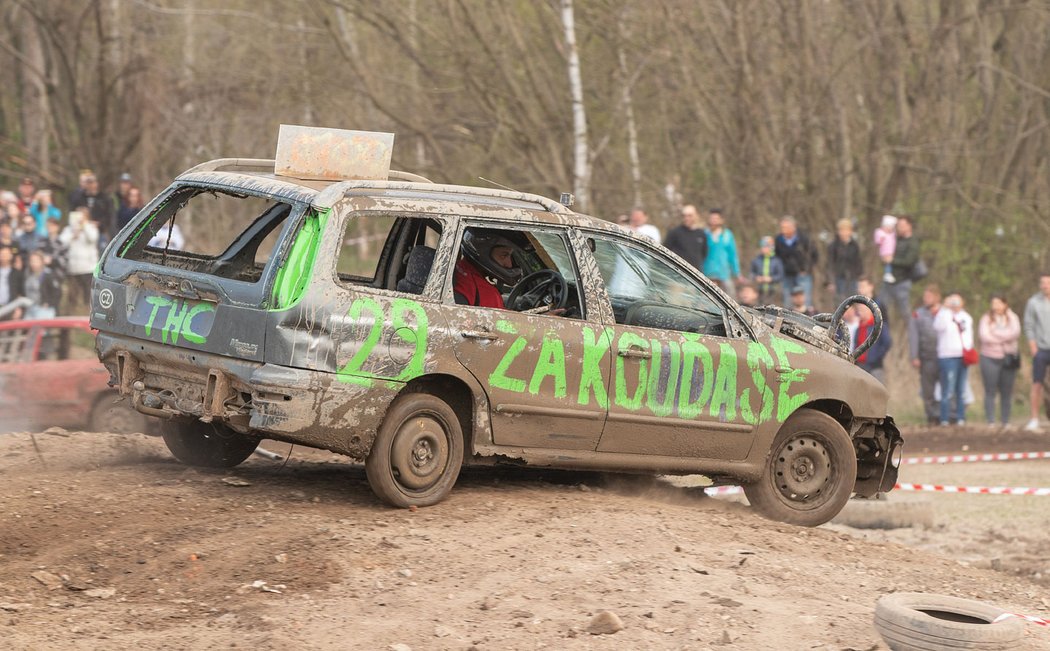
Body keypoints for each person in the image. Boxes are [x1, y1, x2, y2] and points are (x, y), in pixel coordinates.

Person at [978, 295, 1021, 426]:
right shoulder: (986, 318)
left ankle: (1005, 420)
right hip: (989, 357)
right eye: (993, 303)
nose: (996, 306)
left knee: (1006, 391)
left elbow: (1015, 333)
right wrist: (1004, 338)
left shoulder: (1013, 318)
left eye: (998, 303)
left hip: (1008, 358)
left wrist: (995, 333)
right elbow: (984, 336)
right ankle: (990, 420)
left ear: (1005, 304)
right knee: (990, 390)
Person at [453, 229, 524, 309]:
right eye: (504, 255)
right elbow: (500, 321)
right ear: (483, 252)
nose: (509, 264)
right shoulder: (488, 294)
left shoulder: (456, 269)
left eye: (510, 256)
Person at [933, 293, 974, 426]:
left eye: (958, 300)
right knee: (947, 389)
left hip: (962, 356)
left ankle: (960, 417)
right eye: (953, 300)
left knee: (961, 389)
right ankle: (945, 418)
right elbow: (938, 327)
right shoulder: (944, 314)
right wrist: (945, 309)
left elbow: (969, 336)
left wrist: (968, 351)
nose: (955, 303)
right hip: (947, 356)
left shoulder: (966, 317)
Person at [908, 284, 943, 424]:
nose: (926, 299)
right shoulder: (918, 314)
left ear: (937, 297)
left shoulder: (945, 313)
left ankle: (945, 415)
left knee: (945, 389)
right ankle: (931, 416)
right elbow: (913, 336)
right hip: (926, 357)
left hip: (944, 356)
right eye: (925, 296)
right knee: (928, 390)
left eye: (929, 296)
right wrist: (914, 356)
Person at [1023, 273, 1050, 431]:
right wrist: (1033, 348)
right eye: (1043, 282)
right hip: (1041, 349)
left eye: (1048, 282)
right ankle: (1034, 418)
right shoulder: (1033, 302)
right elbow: (1029, 325)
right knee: (1037, 384)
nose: (1045, 285)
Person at [774, 215, 818, 309]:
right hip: (786, 275)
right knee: (787, 302)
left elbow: (814, 255)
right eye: (782, 227)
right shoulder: (778, 239)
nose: (783, 230)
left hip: (802, 275)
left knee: (805, 302)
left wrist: (806, 269)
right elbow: (777, 256)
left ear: (793, 227)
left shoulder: (804, 238)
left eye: (786, 227)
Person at [59, 208, 100, 307]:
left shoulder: (90, 227)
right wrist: (73, 235)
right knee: (73, 297)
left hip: (88, 268)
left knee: (88, 297)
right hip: (73, 269)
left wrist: (84, 226)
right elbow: (61, 241)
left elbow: (93, 238)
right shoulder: (69, 229)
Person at [885, 216, 920, 322]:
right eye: (898, 226)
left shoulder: (913, 242)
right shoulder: (895, 239)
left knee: (905, 313)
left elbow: (909, 261)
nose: (899, 228)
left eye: (902, 226)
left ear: (909, 226)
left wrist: (892, 260)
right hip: (890, 280)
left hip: (903, 281)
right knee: (881, 307)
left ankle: (912, 335)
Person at [702, 208, 743, 297]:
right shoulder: (704, 234)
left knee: (730, 298)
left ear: (721, 220)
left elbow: (733, 255)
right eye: (711, 219)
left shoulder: (727, 235)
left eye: (716, 219)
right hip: (707, 273)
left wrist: (737, 273)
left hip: (724, 274)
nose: (713, 221)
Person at [854, 301, 892, 384]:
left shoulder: (879, 325)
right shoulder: (859, 328)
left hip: (874, 367)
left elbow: (887, 342)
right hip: (860, 366)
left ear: (870, 311)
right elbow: (856, 344)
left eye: (862, 310)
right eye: (859, 310)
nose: (860, 313)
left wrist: (876, 357)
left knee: (876, 393)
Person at [826, 218, 862, 306]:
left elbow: (858, 262)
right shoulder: (833, 246)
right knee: (840, 303)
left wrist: (860, 279)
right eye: (842, 230)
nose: (844, 233)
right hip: (838, 278)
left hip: (853, 278)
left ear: (850, 231)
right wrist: (830, 282)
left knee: (853, 302)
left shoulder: (855, 245)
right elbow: (829, 264)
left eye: (846, 230)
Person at [69, 172, 116, 239]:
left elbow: (109, 217)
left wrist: (99, 223)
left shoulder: (105, 199)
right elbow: (73, 213)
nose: (90, 185)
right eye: (88, 183)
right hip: (83, 233)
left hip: (100, 232)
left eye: (92, 182)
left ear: (97, 183)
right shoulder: (79, 199)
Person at [21, 250, 62, 320]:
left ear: (42, 261)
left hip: (44, 309)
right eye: (32, 261)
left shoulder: (48, 274)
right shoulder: (27, 274)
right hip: (30, 308)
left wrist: (48, 303)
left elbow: (57, 292)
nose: (33, 263)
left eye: (36, 261)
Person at [663, 204, 706, 270]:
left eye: (690, 216)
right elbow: (665, 251)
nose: (686, 218)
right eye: (684, 216)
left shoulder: (701, 234)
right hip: (678, 274)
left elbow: (704, 253)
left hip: (695, 274)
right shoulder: (674, 233)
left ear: (696, 216)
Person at [749, 236, 784, 306]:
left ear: (771, 247)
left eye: (766, 246)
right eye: (762, 246)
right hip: (759, 290)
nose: (763, 249)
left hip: (773, 290)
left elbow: (780, 276)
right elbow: (751, 274)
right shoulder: (756, 260)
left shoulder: (777, 261)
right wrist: (756, 278)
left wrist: (771, 279)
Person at [0, 246, 24, 321]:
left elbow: (21, 292)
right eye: (2, 254)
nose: (4, 256)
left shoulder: (17, 273)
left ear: (11, 256)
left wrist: (18, 308)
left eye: (6, 254)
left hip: (11, 307)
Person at [873, 214, 897, 284]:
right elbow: (878, 241)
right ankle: (887, 274)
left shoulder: (892, 234)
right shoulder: (880, 233)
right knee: (888, 263)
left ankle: (889, 273)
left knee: (890, 263)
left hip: (891, 251)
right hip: (885, 251)